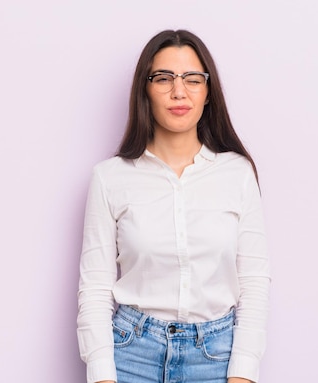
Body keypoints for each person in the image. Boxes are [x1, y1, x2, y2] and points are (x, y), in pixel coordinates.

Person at [77, 29, 270, 383]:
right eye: (163, 78)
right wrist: (102, 375)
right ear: (145, 89)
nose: (178, 91)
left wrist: (243, 373)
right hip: (131, 355)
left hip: (217, 357)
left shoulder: (237, 174)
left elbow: (254, 282)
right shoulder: (110, 178)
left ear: (208, 92)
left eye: (192, 79)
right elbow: (95, 288)